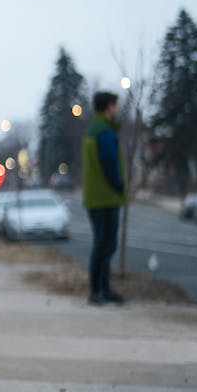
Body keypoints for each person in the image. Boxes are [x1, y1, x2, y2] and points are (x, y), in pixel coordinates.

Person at [81, 91, 128, 306]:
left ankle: (101, 290)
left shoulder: (92, 130)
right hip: (106, 197)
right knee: (105, 245)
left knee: (102, 244)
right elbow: (109, 162)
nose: (116, 110)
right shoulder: (105, 132)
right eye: (115, 106)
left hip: (95, 196)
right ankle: (99, 291)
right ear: (108, 107)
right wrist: (119, 185)